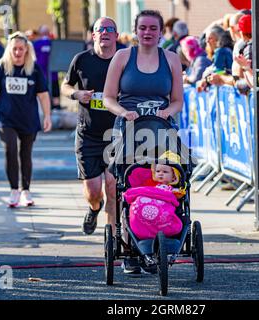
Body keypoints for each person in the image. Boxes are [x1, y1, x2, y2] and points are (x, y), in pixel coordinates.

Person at [103, 9, 183, 274]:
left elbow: (177, 101)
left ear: (161, 32)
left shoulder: (171, 59)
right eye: (143, 28)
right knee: (121, 182)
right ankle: (130, 246)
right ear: (135, 31)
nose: (147, 32)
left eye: (153, 28)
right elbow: (108, 97)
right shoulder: (123, 57)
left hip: (160, 127)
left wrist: (167, 112)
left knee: (160, 178)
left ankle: (159, 242)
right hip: (128, 126)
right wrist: (122, 111)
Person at [60, 17, 119, 235]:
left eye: (109, 29)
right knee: (94, 192)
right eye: (100, 29)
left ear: (116, 35)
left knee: (113, 187)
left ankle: (113, 238)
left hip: (117, 136)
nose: (105, 32)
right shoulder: (81, 59)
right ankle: (94, 209)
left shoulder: (124, 59)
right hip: (89, 134)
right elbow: (65, 85)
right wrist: (77, 94)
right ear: (93, 35)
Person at [0, 32, 52, 208]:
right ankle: (14, 190)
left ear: (26, 50)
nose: (17, 52)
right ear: (9, 49)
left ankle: (26, 190)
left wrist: (47, 116)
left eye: (20, 49)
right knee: (11, 149)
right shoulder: (1, 67)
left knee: (26, 154)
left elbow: (43, 95)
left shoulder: (34, 68)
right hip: (6, 119)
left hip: (28, 119)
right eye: (14, 49)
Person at [33, 25, 61, 110]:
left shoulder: (35, 44)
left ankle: (45, 111)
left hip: (41, 76)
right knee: (56, 97)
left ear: (40, 33)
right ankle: (56, 111)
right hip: (53, 76)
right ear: (48, 33)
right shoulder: (54, 44)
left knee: (42, 96)